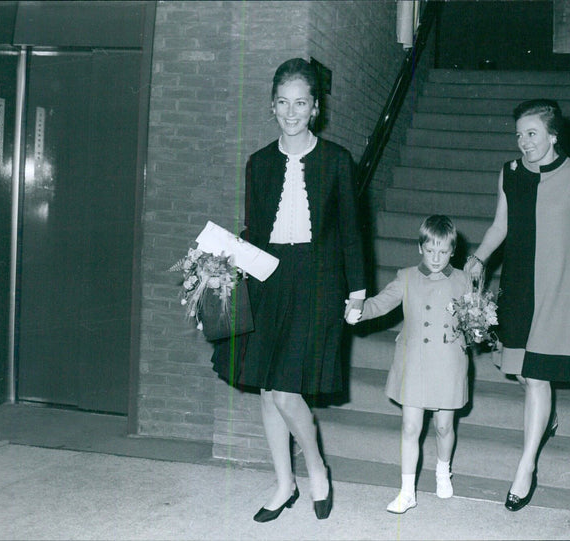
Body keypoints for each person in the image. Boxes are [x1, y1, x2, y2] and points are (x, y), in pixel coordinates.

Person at [211, 58, 366, 522]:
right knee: (266, 389)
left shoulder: (338, 160)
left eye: (301, 102)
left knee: (284, 390)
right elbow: (255, 230)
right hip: (267, 279)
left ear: (315, 108)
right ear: (272, 106)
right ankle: (284, 483)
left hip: (318, 280)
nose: (292, 111)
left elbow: (352, 233)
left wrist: (357, 291)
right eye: (283, 102)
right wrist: (219, 264)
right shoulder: (258, 163)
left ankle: (316, 467)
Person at [463, 99, 570, 512]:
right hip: (518, 283)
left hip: (559, 284)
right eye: (519, 135)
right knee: (522, 371)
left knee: (537, 378)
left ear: (553, 135)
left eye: (532, 133)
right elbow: (500, 225)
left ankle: (525, 468)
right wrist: (479, 257)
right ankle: (547, 418)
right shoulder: (510, 173)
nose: (524, 142)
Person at [346, 215, 471, 514]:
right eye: (430, 250)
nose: (436, 258)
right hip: (414, 360)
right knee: (410, 426)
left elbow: (472, 317)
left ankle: (443, 471)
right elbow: (380, 302)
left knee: (443, 427)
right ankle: (407, 491)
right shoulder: (405, 277)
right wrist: (358, 309)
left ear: (453, 250)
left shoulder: (463, 280)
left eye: (443, 251)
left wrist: (477, 326)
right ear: (420, 248)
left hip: (448, 362)